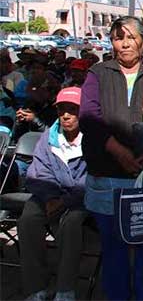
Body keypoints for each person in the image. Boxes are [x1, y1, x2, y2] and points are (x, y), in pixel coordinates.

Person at [80, 16, 143, 301]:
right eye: (117, 38)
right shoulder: (98, 72)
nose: (123, 44)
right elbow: (89, 115)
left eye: (130, 37)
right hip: (108, 175)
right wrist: (115, 147)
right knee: (113, 250)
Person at [19, 87, 87, 301]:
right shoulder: (49, 137)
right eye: (61, 110)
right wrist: (50, 198)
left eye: (72, 110)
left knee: (72, 223)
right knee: (28, 220)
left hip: (79, 198)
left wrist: (65, 200)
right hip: (47, 194)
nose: (66, 115)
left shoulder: (93, 137)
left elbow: (93, 177)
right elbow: (38, 171)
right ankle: (36, 287)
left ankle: (65, 289)